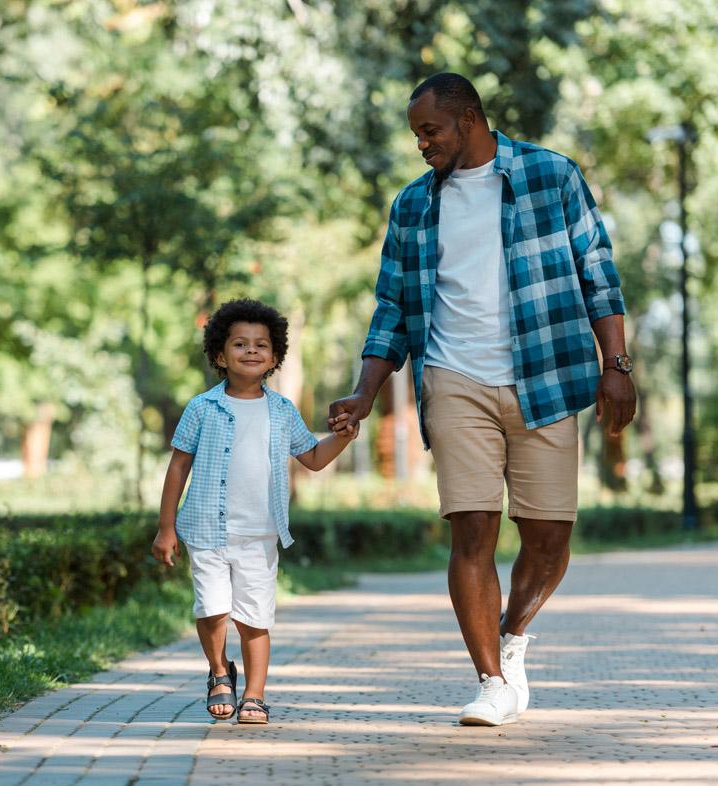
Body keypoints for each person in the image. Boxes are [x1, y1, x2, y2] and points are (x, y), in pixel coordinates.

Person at [329, 73, 636, 726]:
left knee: (549, 537)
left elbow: (598, 270)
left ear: (468, 119)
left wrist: (617, 364)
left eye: (430, 131)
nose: (422, 145)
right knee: (472, 529)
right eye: (417, 134)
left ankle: (512, 633)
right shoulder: (413, 205)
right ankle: (491, 680)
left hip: (546, 376)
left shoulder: (550, 176)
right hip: (452, 377)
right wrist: (363, 392)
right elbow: (391, 308)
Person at [153, 298, 357, 724]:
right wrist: (165, 527)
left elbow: (314, 458)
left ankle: (255, 694)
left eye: (261, 345)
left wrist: (345, 436)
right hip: (206, 527)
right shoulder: (202, 408)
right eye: (240, 344)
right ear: (219, 355)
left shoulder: (282, 410)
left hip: (261, 532)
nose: (251, 351)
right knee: (211, 608)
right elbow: (178, 466)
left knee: (254, 616)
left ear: (275, 357)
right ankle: (219, 671)